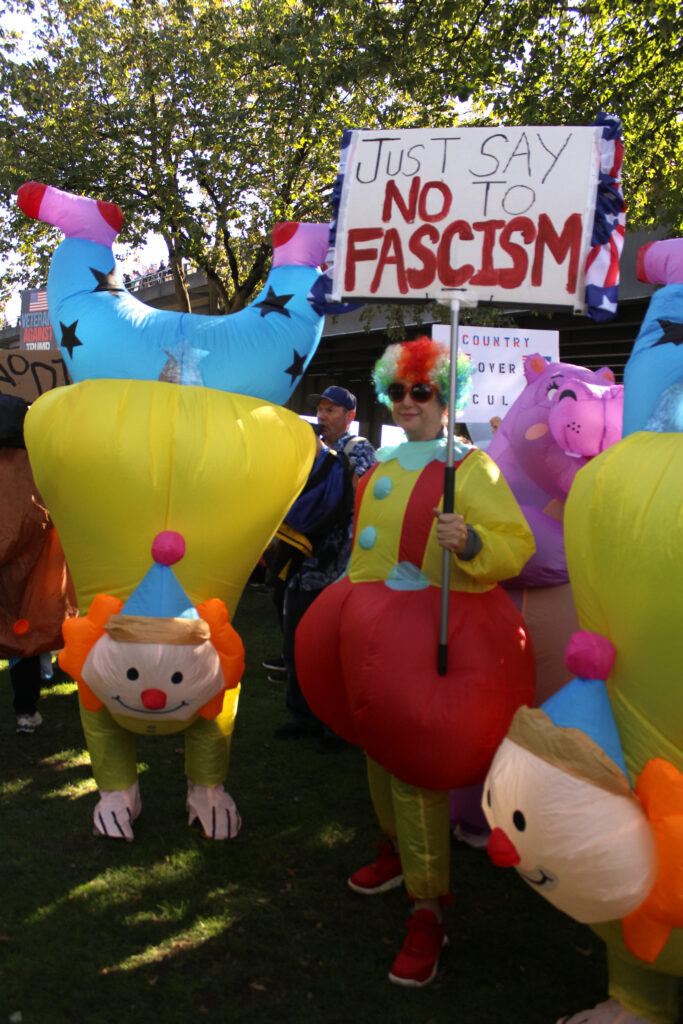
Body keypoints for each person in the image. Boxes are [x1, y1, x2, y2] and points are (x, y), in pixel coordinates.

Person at [295, 336, 536, 986]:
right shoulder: (384, 467)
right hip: (367, 640)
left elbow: (516, 546)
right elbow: (362, 559)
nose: (405, 402)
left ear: (444, 394)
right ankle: (397, 849)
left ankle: (428, 907)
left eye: (419, 390)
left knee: (417, 771)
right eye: (396, 390)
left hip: (427, 641)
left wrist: (474, 539)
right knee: (376, 753)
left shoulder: (470, 468)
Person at [272, 429, 356, 752]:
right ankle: (302, 717)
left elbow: (318, 514)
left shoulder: (337, 467)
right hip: (299, 574)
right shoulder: (293, 470)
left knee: (327, 653)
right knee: (294, 646)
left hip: (330, 573)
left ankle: (336, 727)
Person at [0, 394, 77, 732]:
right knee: (23, 629)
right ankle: (25, 712)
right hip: (25, 562)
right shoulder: (34, 460)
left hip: (20, 553)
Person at [310, 385, 376, 483]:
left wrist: (321, 451)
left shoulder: (360, 448)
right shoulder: (313, 445)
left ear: (350, 416)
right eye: (319, 409)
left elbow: (354, 486)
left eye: (329, 410)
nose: (321, 416)